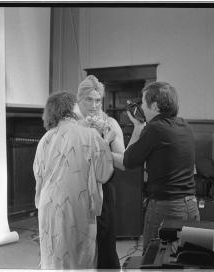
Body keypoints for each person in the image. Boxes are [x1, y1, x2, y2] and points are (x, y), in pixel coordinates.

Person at [115, 81, 200, 252]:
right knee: (184, 258)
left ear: (154, 106)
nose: (141, 107)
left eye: (143, 102)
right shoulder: (185, 125)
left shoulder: (155, 128)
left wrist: (101, 152)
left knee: (154, 260)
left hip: (167, 207)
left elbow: (127, 162)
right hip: (191, 205)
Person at [33, 91, 114, 269]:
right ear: (71, 107)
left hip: (48, 205)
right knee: (79, 257)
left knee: (53, 256)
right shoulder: (89, 135)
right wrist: (105, 140)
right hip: (76, 203)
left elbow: (38, 176)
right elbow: (104, 173)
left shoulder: (45, 139)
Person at [74, 75, 124, 269]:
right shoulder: (70, 124)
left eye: (98, 100)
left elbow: (123, 162)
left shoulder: (110, 122)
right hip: (77, 188)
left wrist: (105, 143)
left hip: (104, 188)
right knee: (79, 241)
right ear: (79, 99)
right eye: (89, 99)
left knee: (105, 241)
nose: (94, 105)